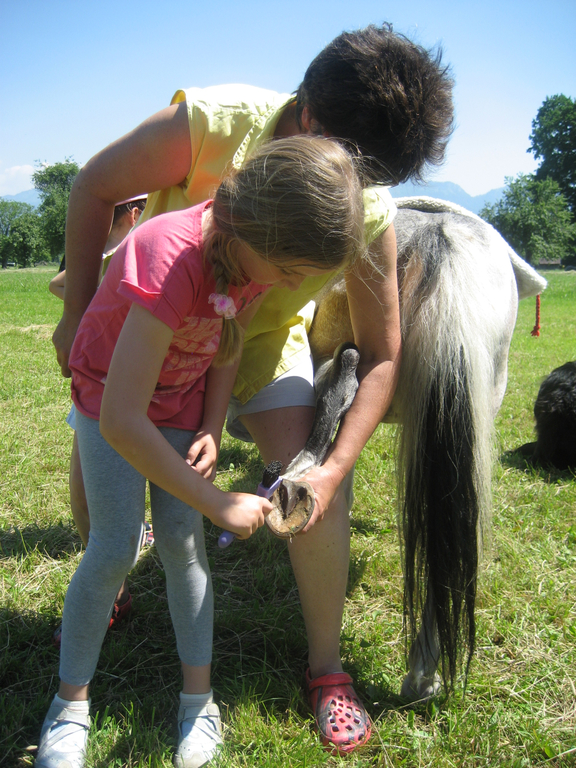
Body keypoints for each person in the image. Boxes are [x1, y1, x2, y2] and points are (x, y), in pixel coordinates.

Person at [50, 23, 454, 755]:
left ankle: (327, 668)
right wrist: (77, 316)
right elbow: (94, 186)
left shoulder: (363, 207)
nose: (363, 196)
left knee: (309, 478)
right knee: (106, 481)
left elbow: (381, 351)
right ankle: (106, 595)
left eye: (374, 184)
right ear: (311, 121)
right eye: (358, 172)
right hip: (151, 327)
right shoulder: (212, 125)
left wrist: (328, 468)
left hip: (241, 341)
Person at [36, 137, 366, 768]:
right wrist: (217, 502)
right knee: (113, 547)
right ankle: (69, 705)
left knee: (184, 549)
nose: (291, 285)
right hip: (111, 402)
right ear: (255, 229)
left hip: (180, 402)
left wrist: (212, 423)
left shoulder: (251, 258)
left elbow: (227, 341)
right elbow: (122, 420)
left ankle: (199, 703)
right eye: (291, 271)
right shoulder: (169, 257)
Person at [49, 195, 149, 647]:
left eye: (109, 216)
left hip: (157, 384)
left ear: (133, 215)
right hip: (98, 383)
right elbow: (58, 283)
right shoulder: (106, 255)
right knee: (85, 497)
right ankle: (116, 592)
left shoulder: (153, 247)